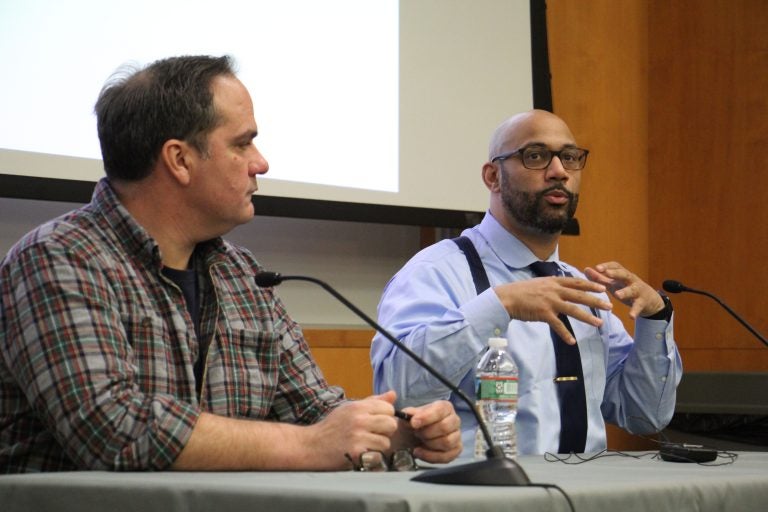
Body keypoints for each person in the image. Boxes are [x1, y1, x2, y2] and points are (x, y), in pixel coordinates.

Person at [0, 55, 461, 473]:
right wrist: (308, 446)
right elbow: (116, 431)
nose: (260, 163)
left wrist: (399, 430)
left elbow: (313, 410)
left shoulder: (242, 273)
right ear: (179, 159)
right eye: (242, 144)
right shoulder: (58, 257)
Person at [371, 109, 682, 456]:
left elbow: (645, 416)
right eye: (535, 156)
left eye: (569, 157)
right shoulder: (436, 271)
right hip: (482, 492)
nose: (559, 171)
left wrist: (655, 320)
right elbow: (398, 393)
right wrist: (499, 305)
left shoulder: (580, 288)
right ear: (493, 177)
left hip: (588, 493)